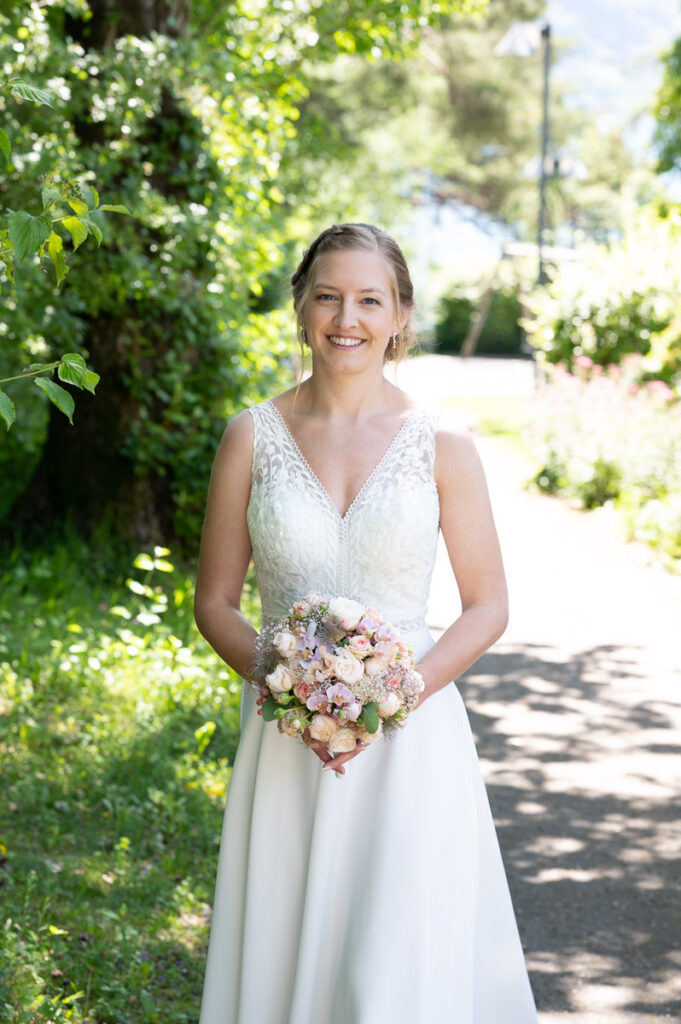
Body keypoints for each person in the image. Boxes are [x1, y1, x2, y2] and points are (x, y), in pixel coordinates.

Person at [194, 222, 537, 1023]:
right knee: (287, 946)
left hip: (409, 739)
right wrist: (296, 694)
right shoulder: (251, 437)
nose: (345, 318)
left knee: (397, 957)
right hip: (285, 740)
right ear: (302, 309)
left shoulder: (441, 443)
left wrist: (390, 695)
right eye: (327, 297)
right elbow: (215, 602)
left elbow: (488, 605)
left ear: (400, 316)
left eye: (368, 300)